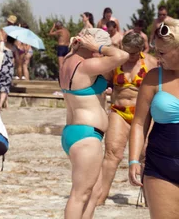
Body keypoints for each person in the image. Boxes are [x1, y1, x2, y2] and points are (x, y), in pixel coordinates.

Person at [59, 28, 128, 219]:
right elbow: (122, 55)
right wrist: (96, 46)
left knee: (94, 192)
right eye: (100, 48)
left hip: (76, 131)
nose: (100, 52)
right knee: (79, 195)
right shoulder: (85, 65)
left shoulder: (68, 60)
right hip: (86, 136)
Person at [97, 32, 156, 205]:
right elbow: (102, 81)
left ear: (141, 50)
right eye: (127, 52)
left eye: (134, 53)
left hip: (143, 112)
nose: (130, 57)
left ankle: (149, 199)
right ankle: (101, 196)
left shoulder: (151, 63)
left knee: (146, 154)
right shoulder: (115, 62)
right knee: (112, 153)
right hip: (119, 111)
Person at [129, 18, 179, 218]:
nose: (157, 57)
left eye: (162, 52)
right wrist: (133, 160)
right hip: (160, 167)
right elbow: (139, 123)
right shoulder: (153, 78)